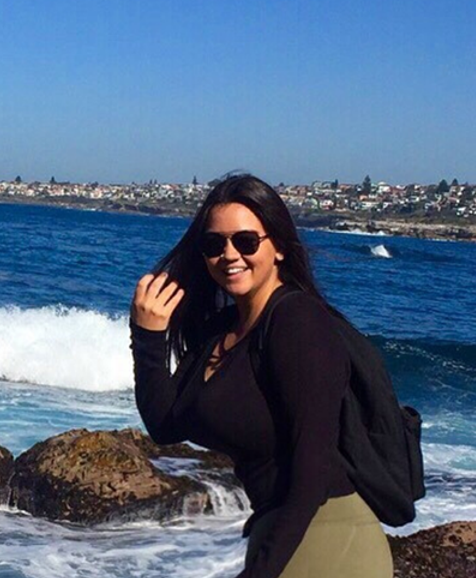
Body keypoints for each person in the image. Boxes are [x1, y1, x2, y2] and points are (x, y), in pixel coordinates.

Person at [129, 172, 388, 578]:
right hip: (279, 531)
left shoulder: (298, 322)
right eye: (214, 244)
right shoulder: (223, 331)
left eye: (246, 241)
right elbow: (164, 423)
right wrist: (148, 337)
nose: (229, 254)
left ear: (279, 247)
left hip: (328, 534)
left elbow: (311, 467)